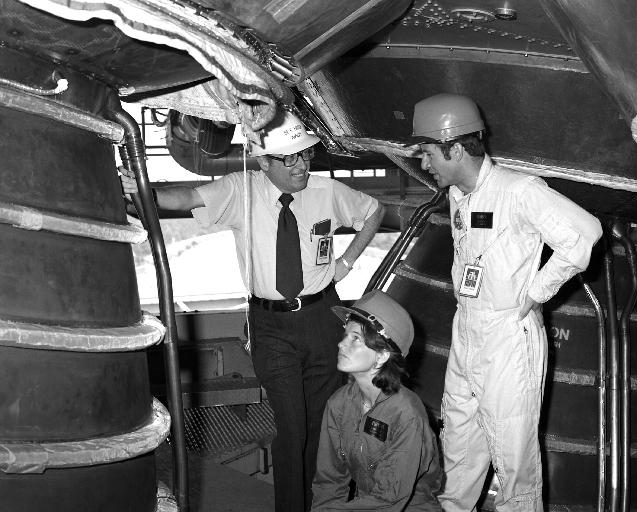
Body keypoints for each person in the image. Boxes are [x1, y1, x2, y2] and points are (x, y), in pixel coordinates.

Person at [120, 110, 385, 512]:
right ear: (263, 161)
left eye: (306, 155)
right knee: (292, 426)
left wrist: (345, 263)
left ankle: (320, 503)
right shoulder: (241, 190)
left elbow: (374, 211)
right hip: (271, 326)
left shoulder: (327, 192)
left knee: (319, 423)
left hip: (322, 316)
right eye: (289, 158)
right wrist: (134, 187)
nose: (302, 165)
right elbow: (183, 198)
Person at [406, 93, 602, 511]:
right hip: (468, 329)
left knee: (514, 464)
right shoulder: (459, 194)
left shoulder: (519, 191)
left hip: (508, 336)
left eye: (427, 154)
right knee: (458, 444)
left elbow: (583, 233)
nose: (424, 163)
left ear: (455, 148)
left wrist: (536, 291)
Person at [311, 290, 442, 511]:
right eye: (345, 335)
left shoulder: (406, 414)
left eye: (356, 339)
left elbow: (388, 500)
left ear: (382, 356)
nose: (342, 345)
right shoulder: (339, 403)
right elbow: (329, 482)